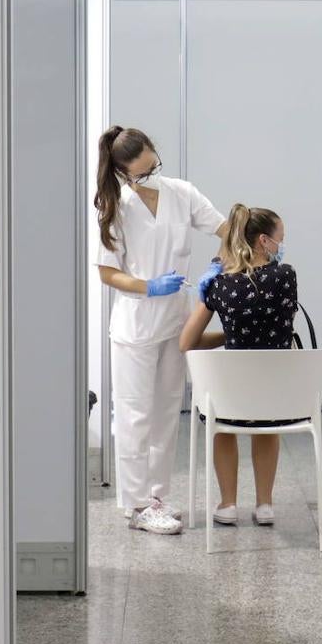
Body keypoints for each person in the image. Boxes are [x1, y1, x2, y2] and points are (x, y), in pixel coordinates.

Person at [95, 126, 226, 535]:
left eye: (154, 167)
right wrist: (148, 286)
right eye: (141, 173)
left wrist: (215, 269)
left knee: (167, 412)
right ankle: (135, 505)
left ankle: (157, 497)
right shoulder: (113, 206)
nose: (150, 176)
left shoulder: (183, 193)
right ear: (123, 174)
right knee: (135, 415)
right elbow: (107, 273)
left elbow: (227, 231)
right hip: (135, 323)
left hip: (176, 320)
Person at [179, 204, 299, 527]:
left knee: (222, 423)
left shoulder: (219, 284)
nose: (282, 246)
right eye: (280, 239)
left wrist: (227, 333)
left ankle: (228, 504)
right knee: (265, 424)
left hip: (232, 398)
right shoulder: (286, 276)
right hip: (276, 397)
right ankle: (264, 505)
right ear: (264, 240)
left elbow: (186, 343)